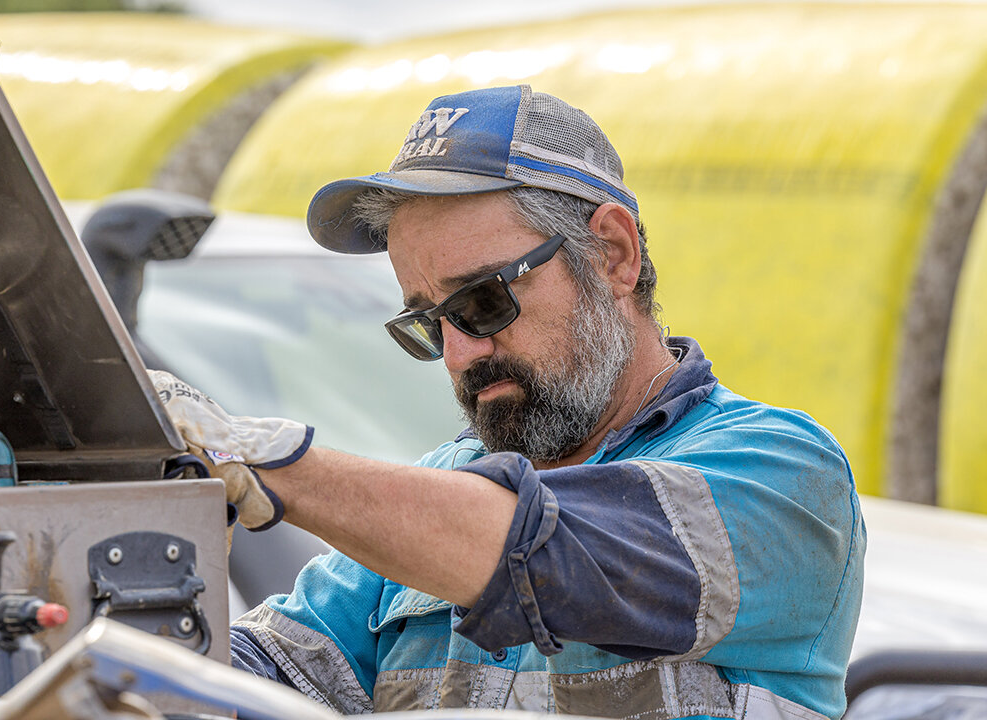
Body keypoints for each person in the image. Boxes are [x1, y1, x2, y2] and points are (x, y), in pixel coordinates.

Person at [150, 84, 865, 720]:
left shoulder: (780, 474)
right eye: (430, 321)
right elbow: (261, 680)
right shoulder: (437, 493)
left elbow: (537, 552)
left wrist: (258, 458)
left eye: (484, 301)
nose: (460, 353)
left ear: (613, 254)